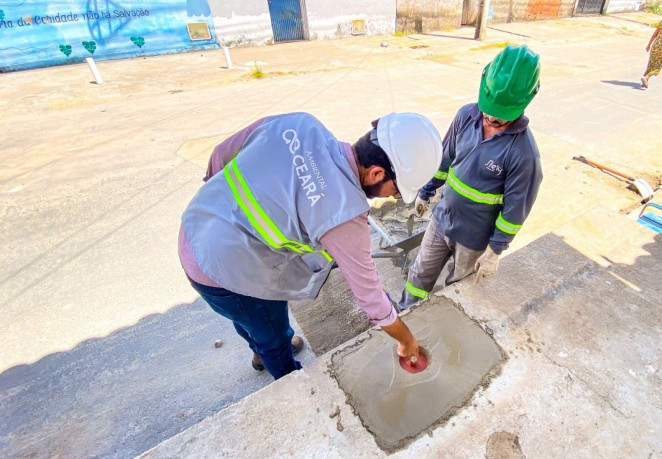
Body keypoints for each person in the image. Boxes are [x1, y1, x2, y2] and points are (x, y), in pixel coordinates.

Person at [178, 112, 442, 379]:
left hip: (195, 224)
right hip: (221, 270)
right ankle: (283, 370)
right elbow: (371, 299)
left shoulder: (300, 125)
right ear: (376, 173)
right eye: (396, 191)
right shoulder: (344, 214)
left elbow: (221, 154)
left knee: (248, 318)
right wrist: (406, 340)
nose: (393, 198)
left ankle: (261, 346)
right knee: (267, 326)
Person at [397, 45, 543, 311]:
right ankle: (406, 314)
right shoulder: (467, 115)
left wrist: (495, 250)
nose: (488, 119)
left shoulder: (524, 154)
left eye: (498, 120)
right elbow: (445, 157)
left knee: (458, 292)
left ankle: (447, 328)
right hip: (442, 220)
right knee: (419, 276)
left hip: (474, 239)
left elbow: (515, 211)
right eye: (486, 110)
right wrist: (427, 191)